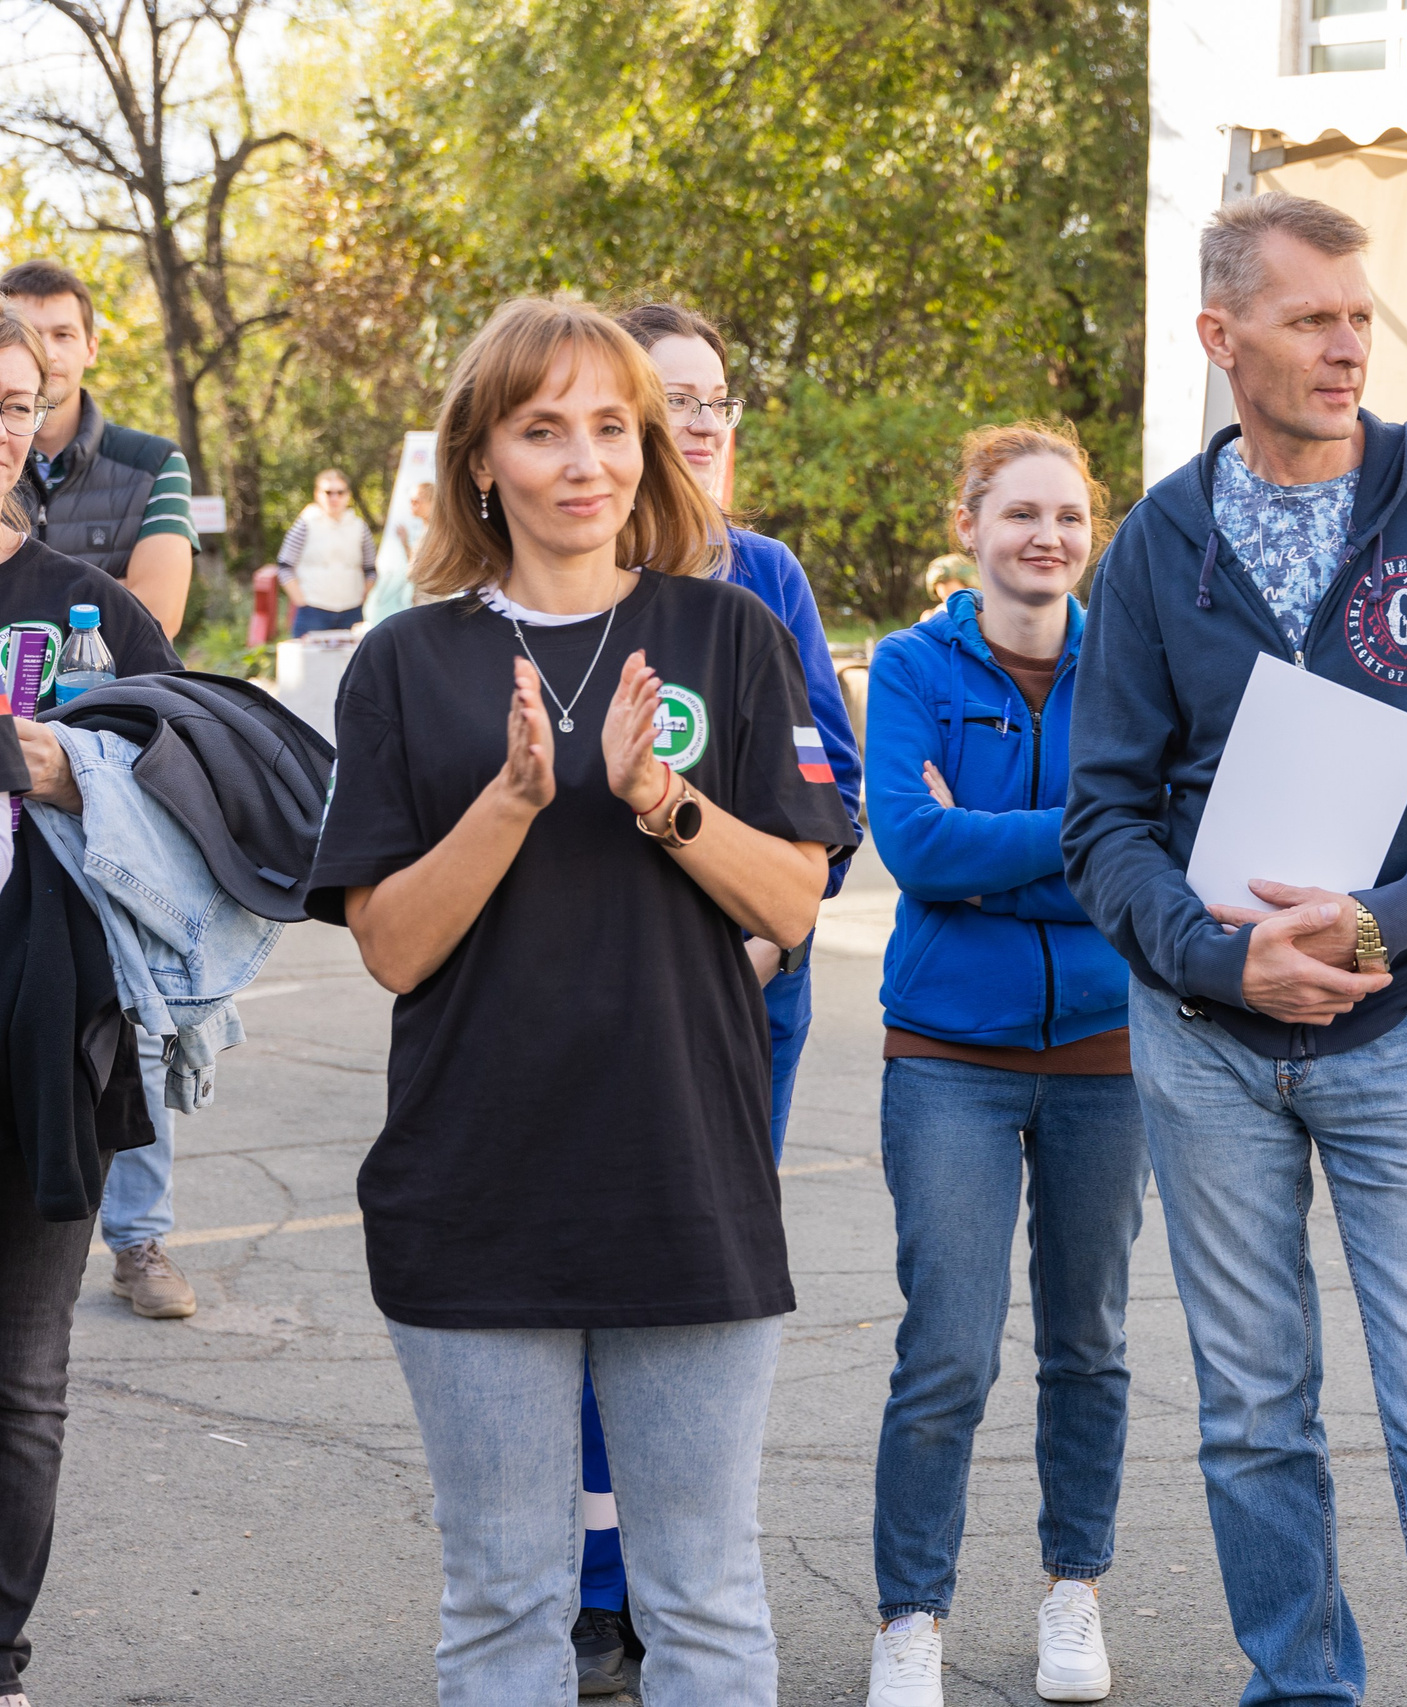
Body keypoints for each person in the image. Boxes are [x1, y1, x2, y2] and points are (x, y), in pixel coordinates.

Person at [1064, 190, 1407, 1707]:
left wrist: (1385, 920)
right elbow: (1102, 822)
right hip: (1206, 1041)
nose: (1348, 346)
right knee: (1251, 1416)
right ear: (1224, 338)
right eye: (1312, 319)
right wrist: (1223, 965)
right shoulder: (1157, 546)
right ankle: (1301, 1684)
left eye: (1360, 316)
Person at [303, 297, 854, 1707]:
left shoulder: (726, 634)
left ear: (649, 449)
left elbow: (793, 900)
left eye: (611, 426)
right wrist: (511, 801)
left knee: (706, 1595)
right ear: (480, 460)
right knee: (504, 1599)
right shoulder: (405, 663)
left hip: (685, 1177)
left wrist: (665, 803)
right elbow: (392, 949)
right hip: (475, 1191)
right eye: (542, 428)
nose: (583, 460)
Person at [548, 299, 866, 1694]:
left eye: (714, 399)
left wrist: (761, 944)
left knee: (694, 1292)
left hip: (741, 996)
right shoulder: (549, 577)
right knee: (571, 1287)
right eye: (664, 398)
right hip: (572, 1013)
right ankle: (590, 1588)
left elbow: (833, 795)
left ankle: (675, 1589)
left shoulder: (766, 581)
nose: (697, 421)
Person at [860, 421, 1143, 1707]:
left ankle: (1071, 1590)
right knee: (949, 1353)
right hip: (947, 1058)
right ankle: (910, 1616)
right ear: (967, 525)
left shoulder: (1135, 669)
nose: (1048, 538)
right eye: (1020, 514)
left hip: (1106, 1051)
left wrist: (1004, 847)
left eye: (1070, 518)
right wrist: (1081, 845)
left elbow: (1163, 846)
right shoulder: (913, 667)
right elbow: (917, 851)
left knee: (1087, 1341)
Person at [0, 302, 179, 1707]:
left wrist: (84, 778)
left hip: (46, 1036)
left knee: (19, 1379)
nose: (2, 423)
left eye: (17, 400)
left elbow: (206, 823)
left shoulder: (95, 616)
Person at [0, 260, 194, 637]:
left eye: (63, 334)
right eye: (30, 334)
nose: (48, 352)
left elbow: (155, 619)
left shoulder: (155, 463)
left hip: (111, 692)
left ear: (91, 349)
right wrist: (110, 591)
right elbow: (127, 612)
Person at [276, 468, 377, 635]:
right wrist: (301, 600)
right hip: (313, 611)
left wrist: (362, 596)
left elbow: (370, 569)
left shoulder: (360, 527)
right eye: (328, 492)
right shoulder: (305, 524)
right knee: (310, 661)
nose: (334, 498)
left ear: (348, 495)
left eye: (340, 492)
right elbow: (284, 566)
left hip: (351, 611)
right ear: (317, 494)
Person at [367, 480, 433, 625]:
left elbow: (420, 569)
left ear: (431, 502)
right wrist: (405, 543)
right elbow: (416, 563)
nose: (412, 506)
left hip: (430, 601)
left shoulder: (437, 533)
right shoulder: (427, 529)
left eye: (417, 501)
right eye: (411, 501)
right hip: (421, 599)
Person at [919, 552, 977, 624]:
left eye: (953, 595)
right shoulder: (936, 615)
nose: (948, 602)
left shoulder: (983, 613)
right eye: (943, 598)